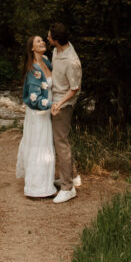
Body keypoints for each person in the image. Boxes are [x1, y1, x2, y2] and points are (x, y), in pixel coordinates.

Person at [15, 35, 56, 198]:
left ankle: (46, 184)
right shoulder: (33, 70)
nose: (42, 42)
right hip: (38, 114)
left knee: (45, 146)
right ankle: (35, 188)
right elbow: (34, 98)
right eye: (38, 41)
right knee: (39, 147)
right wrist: (50, 105)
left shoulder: (46, 61)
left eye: (42, 40)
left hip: (47, 112)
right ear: (32, 48)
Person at [48, 21, 82, 204]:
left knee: (60, 142)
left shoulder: (71, 61)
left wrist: (59, 103)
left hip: (64, 104)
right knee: (61, 140)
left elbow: (74, 88)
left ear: (57, 40)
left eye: (49, 36)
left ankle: (68, 188)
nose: (47, 38)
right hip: (56, 100)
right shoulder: (56, 51)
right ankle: (72, 175)